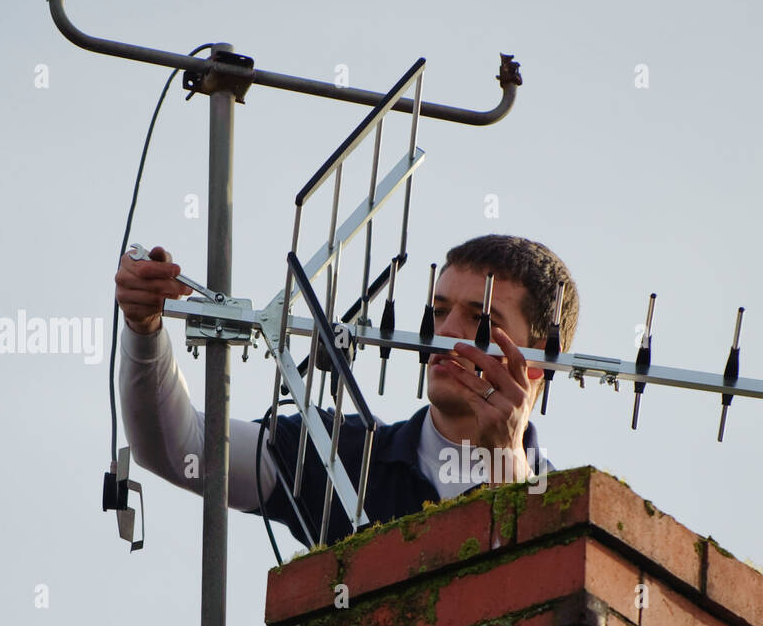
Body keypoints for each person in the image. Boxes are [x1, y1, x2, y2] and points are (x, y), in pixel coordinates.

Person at [115, 234, 581, 548]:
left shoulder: (569, 511)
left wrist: (504, 458)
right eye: (439, 311)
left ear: (537, 358)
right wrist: (143, 328)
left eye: (481, 320)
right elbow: (179, 449)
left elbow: (534, 605)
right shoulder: (340, 453)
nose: (445, 333)